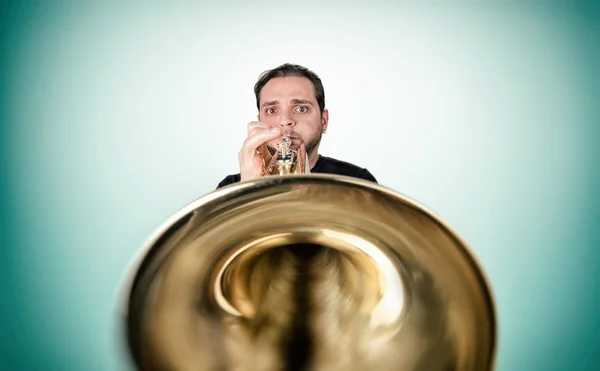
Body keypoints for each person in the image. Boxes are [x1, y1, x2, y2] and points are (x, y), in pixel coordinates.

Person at [216, 63, 377, 189]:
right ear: (259, 121)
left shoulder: (357, 181)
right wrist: (248, 190)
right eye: (272, 110)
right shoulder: (231, 186)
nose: (285, 120)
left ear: (324, 121)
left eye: (301, 108)